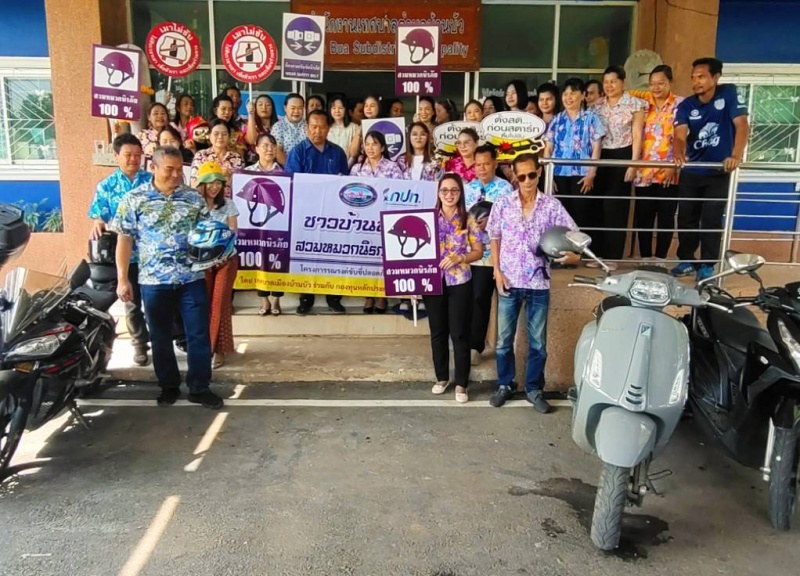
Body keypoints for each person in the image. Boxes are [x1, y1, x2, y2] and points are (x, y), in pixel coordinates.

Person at [112, 146, 224, 409]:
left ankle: (199, 387)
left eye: (179, 170)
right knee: (160, 336)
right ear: (153, 168)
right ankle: (169, 386)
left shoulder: (193, 198)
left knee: (198, 334)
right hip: (153, 281)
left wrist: (215, 253)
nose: (175, 175)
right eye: (169, 169)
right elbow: (124, 240)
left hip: (191, 278)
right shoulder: (134, 199)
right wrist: (122, 278)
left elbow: (205, 233)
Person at [487, 153, 580, 413]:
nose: (527, 180)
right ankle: (505, 384)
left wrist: (574, 256)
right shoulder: (503, 203)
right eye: (522, 176)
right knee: (504, 341)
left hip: (539, 282)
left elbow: (574, 236)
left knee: (538, 343)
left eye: (532, 174)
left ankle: (534, 389)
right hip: (508, 281)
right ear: (514, 177)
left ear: (539, 173)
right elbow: (494, 236)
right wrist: (497, 270)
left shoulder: (552, 206)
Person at [672, 57, 749, 281]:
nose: (696, 82)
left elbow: (742, 125)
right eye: (693, 77)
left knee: (712, 218)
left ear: (715, 77)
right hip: (692, 171)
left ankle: (707, 264)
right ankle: (687, 260)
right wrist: (678, 152)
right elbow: (679, 135)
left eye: (701, 77)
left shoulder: (729, 94)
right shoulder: (686, 105)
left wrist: (736, 155)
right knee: (686, 218)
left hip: (718, 172)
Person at [88, 133, 152, 367]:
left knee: (157, 301)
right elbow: (99, 215)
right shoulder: (106, 186)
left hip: (153, 254)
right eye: (128, 155)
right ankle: (139, 345)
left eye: (137, 155)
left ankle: (166, 339)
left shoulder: (152, 180)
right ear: (116, 156)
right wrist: (98, 222)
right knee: (132, 302)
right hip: (126, 256)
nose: (133, 159)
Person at [425, 173, 483, 404]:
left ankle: (461, 383)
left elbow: (478, 251)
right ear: (438, 193)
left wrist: (461, 258)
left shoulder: (468, 219)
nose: (449, 195)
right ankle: (441, 378)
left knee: (459, 333)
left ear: (460, 193)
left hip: (460, 281)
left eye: (454, 190)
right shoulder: (428, 218)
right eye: (444, 190)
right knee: (438, 331)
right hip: (432, 281)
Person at [284, 110, 349, 315]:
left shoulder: (337, 153)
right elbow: (291, 182)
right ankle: (306, 297)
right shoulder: (298, 152)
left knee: (333, 253)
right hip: (306, 213)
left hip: (332, 214)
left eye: (321, 127)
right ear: (307, 128)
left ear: (328, 129)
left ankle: (333, 296)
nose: (317, 131)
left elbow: (345, 183)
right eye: (313, 127)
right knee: (306, 255)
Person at [591, 65, 646, 267]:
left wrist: (633, 164)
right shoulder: (597, 106)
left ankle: (612, 256)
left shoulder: (635, 104)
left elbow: (637, 135)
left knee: (615, 207)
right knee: (598, 205)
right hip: (600, 155)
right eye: (606, 82)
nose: (609, 86)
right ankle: (597, 255)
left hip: (623, 154)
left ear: (623, 82)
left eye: (613, 81)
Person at [464, 144, 514, 365]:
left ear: (495, 163)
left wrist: (492, 222)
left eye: (486, 164)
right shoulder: (467, 189)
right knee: (477, 298)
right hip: (476, 253)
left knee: (503, 300)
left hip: (500, 253)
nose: (482, 168)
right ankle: (474, 345)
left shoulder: (506, 189)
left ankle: (503, 348)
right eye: (478, 164)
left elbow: (512, 219)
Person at [633, 65, 683, 261]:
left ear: (670, 82)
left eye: (661, 83)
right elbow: (625, 92)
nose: (656, 87)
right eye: (652, 84)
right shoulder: (643, 104)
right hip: (644, 172)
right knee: (644, 217)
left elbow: (683, 137)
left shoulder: (681, 105)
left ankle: (661, 259)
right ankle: (645, 258)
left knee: (666, 217)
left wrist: (673, 165)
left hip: (669, 172)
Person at [351, 130, 404, 315]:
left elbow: (399, 194)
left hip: (385, 220)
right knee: (365, 258)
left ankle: (382, 295)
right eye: (367, 144)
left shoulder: (392, 167)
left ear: (382, 147)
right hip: (363, 222)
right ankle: (368, 295)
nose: (370, 147)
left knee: (382, 260)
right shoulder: (357, 169)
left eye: (374, 144)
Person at [544, 77, 606, 230]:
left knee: (581, 217)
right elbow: (548, 149)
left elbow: (596, 148)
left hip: (582, 176)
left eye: (573, 93)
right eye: (565, 94)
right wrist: (549, 176)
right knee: (560, 218)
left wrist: (591, 174)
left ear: (583, 95)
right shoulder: (556, 120)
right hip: (558, 174)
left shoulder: (591, 119)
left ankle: (580, 246)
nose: (568, 97)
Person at [195, 161, 239, 369]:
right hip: (201, 262)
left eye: (218, 183)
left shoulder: (228, 204)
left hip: (225, 260)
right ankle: (206, 348)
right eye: (210, 182)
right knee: (203, 304)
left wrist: (222, 254)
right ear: (202, 184)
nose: (215, 187)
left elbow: (233, 233)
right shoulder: (194, 205)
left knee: (220, 303)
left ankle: (216, 350)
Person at [246, 133, 285, 316]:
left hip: (278, 225)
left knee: (278, 260)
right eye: (265, 145)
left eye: (272, 145)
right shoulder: (247, 172)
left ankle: (276, 299)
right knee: (259, 261)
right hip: (255, 226)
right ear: (257, 149)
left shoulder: (284, 173)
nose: (269, 149)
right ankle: (264, 300)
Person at [190, 118, 244, 198]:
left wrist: (230, 178)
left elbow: (241, 187)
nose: (220, 137)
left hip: (229, 201)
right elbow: (194, 184)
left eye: (224, 134)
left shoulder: (237, 158)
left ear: (229, 137)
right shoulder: (201, 155)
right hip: (205, 200)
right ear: (209, 135)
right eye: (216, 133)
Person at [272, 93, 307, 165]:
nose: (296, 111)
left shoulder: (309, 126)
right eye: (293, 108)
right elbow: (278, 151)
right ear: (285, 108)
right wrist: (292, 167)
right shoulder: (278, 126)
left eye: (300, 108)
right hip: (286, 168)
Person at [328, 95, 361, 168]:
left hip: (348, 168)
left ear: (345, 110)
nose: (337, 111)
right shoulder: (326, 128)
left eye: (340, 108)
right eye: (334, 108)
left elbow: (354, 154)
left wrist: (345, 168)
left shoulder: (354, 128)